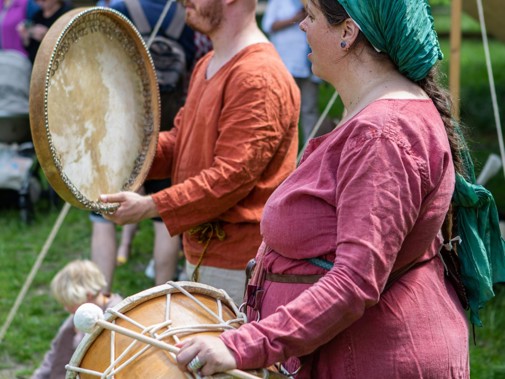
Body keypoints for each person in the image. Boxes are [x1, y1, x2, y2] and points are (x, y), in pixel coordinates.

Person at [173, 0, 471, 377]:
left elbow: (354, 281)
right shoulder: (379, 115)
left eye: (311, 16)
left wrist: (245, 346)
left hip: (376, 359)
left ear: (348, 32)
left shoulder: (382, 135)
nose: (302, 27)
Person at [101, 0, 300, 305]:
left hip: (239, 267)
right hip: (205, 256)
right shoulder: (208, 62)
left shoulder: (258, 76)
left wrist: (150, 205)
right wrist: (120, 151)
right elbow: (181, 142)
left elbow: (229, 177)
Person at [90, 0, 199, 290]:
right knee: (165, 217)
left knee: (102, 216)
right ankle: (161, 299)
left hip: (121, 128)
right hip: (170, 124)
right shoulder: (186, 14)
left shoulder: (119, 8)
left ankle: (101, 300)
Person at [31, 260, 122, 379]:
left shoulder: (117, 316)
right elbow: (53, 357)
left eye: (69, 304)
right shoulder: (72, 323)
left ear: (88, 295)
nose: (66, 308)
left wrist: (80, 336)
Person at [261, 0, 320, 143]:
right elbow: (267, 26)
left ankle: (310, 153)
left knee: (309, 109)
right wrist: (293, 19)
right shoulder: (278, 2)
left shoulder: (315, 2)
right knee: (282, 110)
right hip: (285, 65)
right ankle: (281, 149)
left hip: (310, 65)